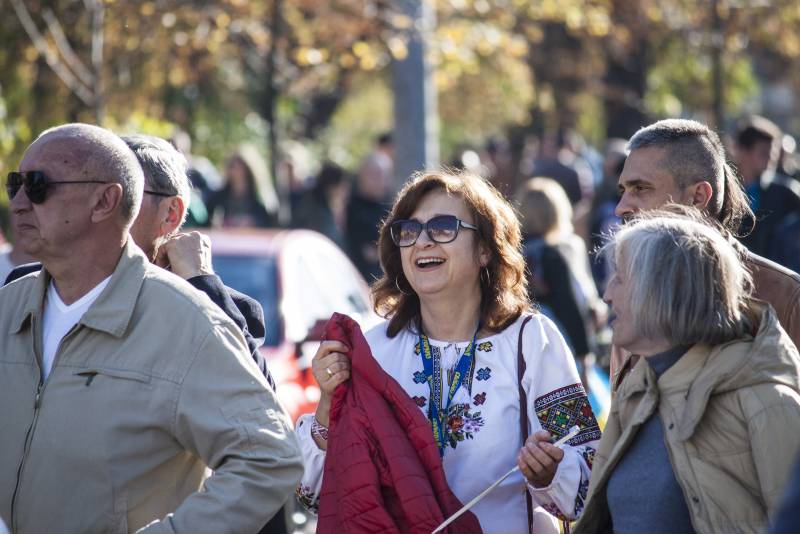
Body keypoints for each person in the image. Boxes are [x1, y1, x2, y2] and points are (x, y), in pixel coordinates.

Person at [0, 123, 303, 533]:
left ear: (106, 200)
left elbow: (269, 456)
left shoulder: (189, 318)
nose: (18, 202)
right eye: (14, 184)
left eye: (38, 186)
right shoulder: (10, 304)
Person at [296, 171, 601, 532]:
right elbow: (315, 495)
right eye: (409, 231)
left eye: (443, 227)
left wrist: (550, 472)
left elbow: (587, 482)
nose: (422, 242)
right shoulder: (373, 351)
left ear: (486, 248)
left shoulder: (531, 341)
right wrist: (329, 407)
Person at [573, 209, 800, 534]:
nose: (607, 293)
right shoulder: (636, 392)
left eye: (621, 277)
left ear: (663, 290)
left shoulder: (764, 400)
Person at [5, 134, 274, 387]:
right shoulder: (22, 291)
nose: (102, 205)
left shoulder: (218, 307)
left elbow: (254, 401)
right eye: (95, 192)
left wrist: (200, 280)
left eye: (126, 195)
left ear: (171, 214)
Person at [612, 118, 800, 390]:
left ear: (698, 197)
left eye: (641, 188)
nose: (622, 207)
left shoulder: (783, 296)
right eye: (623, 190)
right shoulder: (629, 292)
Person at [517, 177, 605, 367]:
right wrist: (584, 353)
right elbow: (569, 303)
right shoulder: (556, 252)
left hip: (518, 346)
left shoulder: (510, 253)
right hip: (558, 345)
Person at [732, 116, 800, 260]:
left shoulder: (786, 193)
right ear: (742, 151)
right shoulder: (721, 191)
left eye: (773, 154)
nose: (770, 159)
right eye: (763, 153)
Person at [207, 144, 279, 228]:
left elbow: (271, 221)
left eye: (241, 167)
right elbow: (208, 222)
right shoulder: (218, 197)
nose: (237, 172)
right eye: (233, 166)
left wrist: (254, 223)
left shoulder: (262, 197)